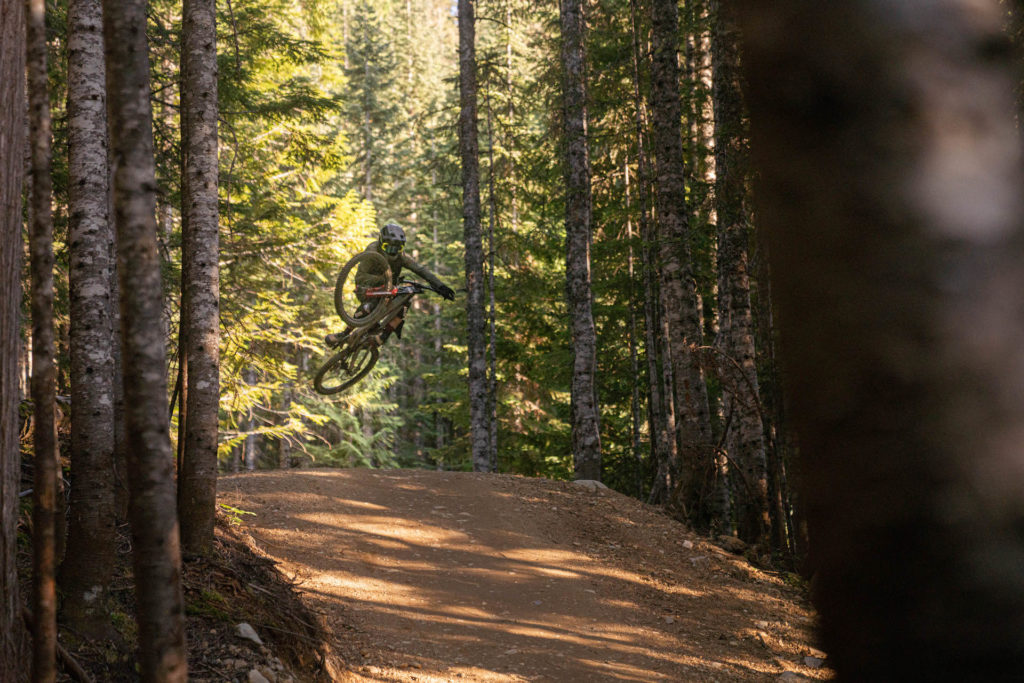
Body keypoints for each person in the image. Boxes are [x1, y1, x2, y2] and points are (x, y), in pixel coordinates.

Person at [326, 221, 455, 347]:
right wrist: (383, 279)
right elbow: (361, 277)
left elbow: (420, 269)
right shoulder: (372, 251)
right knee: (369, 307)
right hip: (368, 288)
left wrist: (440, 286)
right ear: (381, 243)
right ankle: (345, 333)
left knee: (405, 302)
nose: (392, 252)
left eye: (396, 249)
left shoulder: (401, 256)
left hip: (390, 288)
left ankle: (383, 336)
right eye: (388, 248)